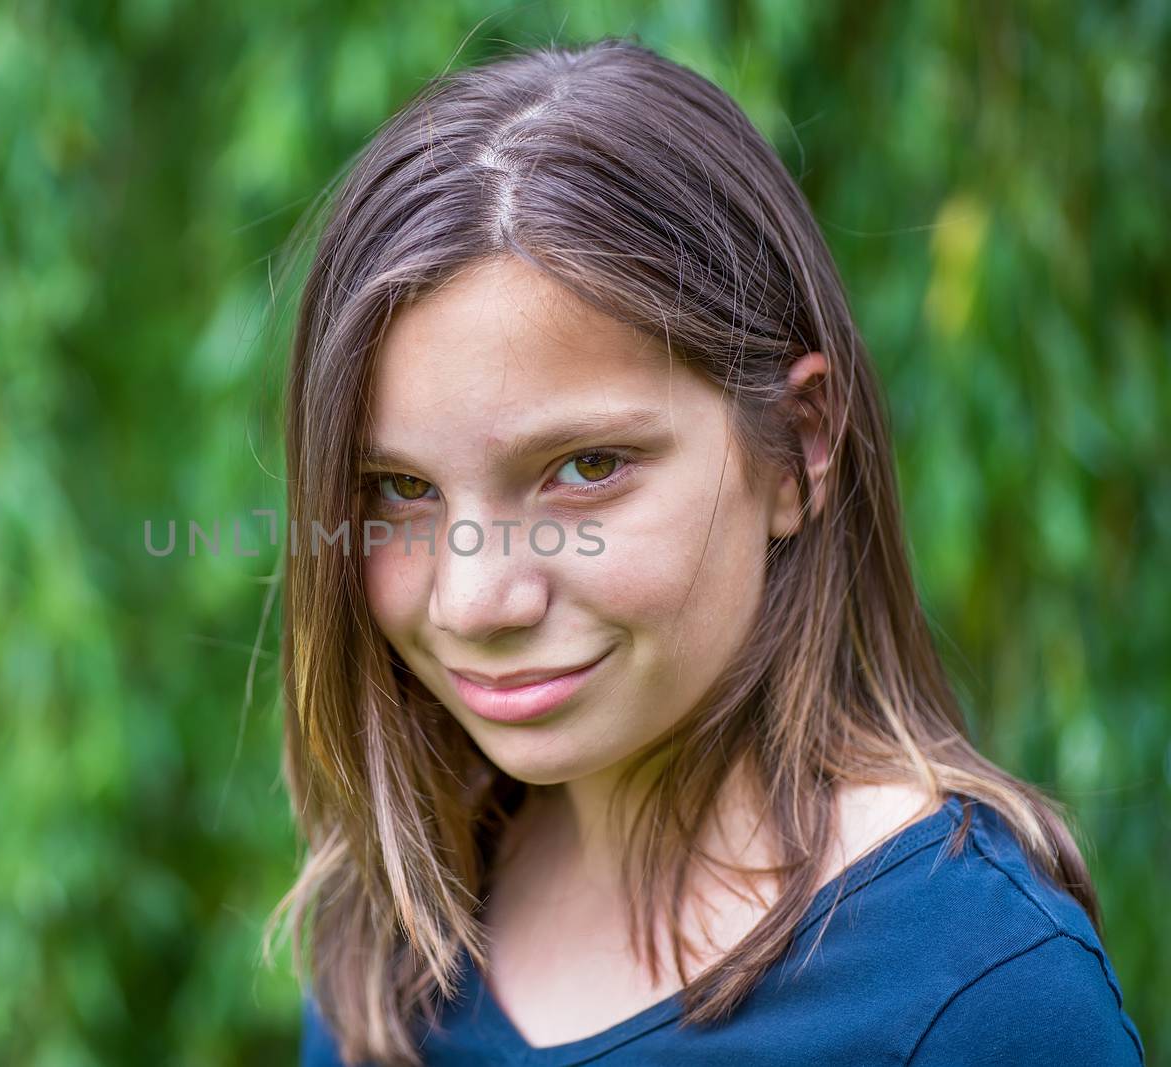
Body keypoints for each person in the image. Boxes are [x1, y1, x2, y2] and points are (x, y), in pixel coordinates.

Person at [263, 36, 1144, 1067]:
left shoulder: (976, 987)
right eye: (400, 489)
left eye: (586, 466)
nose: (473, 598)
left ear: (798, 448)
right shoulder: (397, 939)